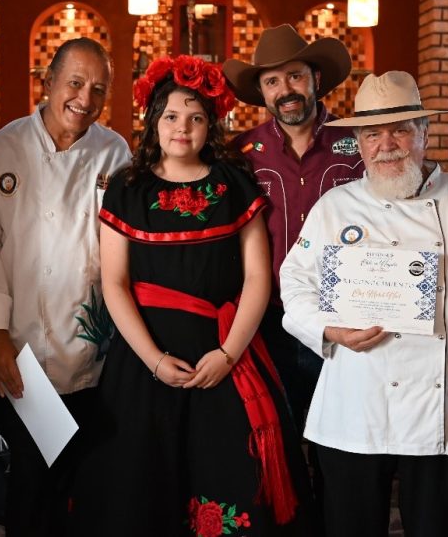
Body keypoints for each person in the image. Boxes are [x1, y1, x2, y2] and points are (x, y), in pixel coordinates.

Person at [279, 71, 448, 537]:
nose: (386, 145)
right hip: (355, 404)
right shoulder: (334, 207)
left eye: (400, 130)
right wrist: (328, 330)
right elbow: (294, 284)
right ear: (359, 144)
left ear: (424, 134)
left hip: (447, 405)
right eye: (372, 134)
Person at [71, 55, 314, 537]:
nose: (182, 128)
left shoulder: (233, 183)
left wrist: (228, 354)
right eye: (171, 116)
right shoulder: (127, 188)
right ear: (153, 121)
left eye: (196, 118)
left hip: (223, 357)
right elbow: (114, 283)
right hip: (144, 364)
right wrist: (154, 360)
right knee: (140, 484)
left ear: (211, 125)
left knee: (228, 474)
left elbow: (257, 278)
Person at [0, 37, 131, 537]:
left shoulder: (114, 153)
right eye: (75, 83)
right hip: (20, 352)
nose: (85, 98)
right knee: (30, 484)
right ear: (48, 82)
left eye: (98, 89)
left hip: (92, 353)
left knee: (78, 487)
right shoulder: (3, 148)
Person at [224, 25, 363, 422]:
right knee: (278, 435)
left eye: (295, 76)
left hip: (343, 321)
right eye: (272, 81)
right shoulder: (241, 153)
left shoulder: (357, 144)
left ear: (315, 78)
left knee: (338, 436)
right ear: (262, 91)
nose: (285, 90)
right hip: (268, 320)